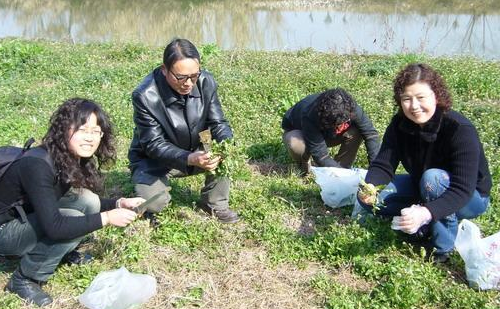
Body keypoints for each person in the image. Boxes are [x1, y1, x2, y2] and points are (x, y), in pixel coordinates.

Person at [0, 98, 144, 307]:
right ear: (63, 130)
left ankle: (61, 253)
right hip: (4, 232)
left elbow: (75, 202)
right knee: (71, 220)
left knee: (88, 200)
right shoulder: (37, 165)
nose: (90, 138)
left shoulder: (67, 157)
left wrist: (118, 204)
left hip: (27, 216)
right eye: (83, 130)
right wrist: (107, 218)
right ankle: (24, 279)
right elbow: (56, 227)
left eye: (96, 132)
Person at [357, 63, 491, 263]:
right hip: (424, 186)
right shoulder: (399, 125)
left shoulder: (459, 129)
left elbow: (463, 189)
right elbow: (383, 164)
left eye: (421, 97)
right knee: (373, 197)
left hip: (470, 197)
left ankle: (442, 247)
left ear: (436, 96)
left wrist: (426, 213)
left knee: (433, 179)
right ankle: (422, 218)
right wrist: (369, 187)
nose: (414, 106)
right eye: (406, 99)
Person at [128, 38, 239, 224]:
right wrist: (188, 158)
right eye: (181, 77)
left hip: (197, 146)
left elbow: (218, 123)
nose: (189, 83)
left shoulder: (205, 82)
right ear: (164, 70)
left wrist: (223, 148)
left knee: (224, 149)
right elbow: (153, 144)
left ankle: (215, 203)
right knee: (154, 203)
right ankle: (152, 199)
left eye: (194, 76)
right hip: (155, 159)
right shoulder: (145, 95)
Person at [281, 88, 380, 175]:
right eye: (337, 125)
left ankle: (343, 166)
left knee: (357, 131)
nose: (341, 127)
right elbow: (321, 156)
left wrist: (376, 169)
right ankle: (305, 169)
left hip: (327, 132)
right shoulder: (311, 114)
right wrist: (343, 176)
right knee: (295, 144)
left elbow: (370, 135)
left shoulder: (350, 106)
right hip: (300, 133)